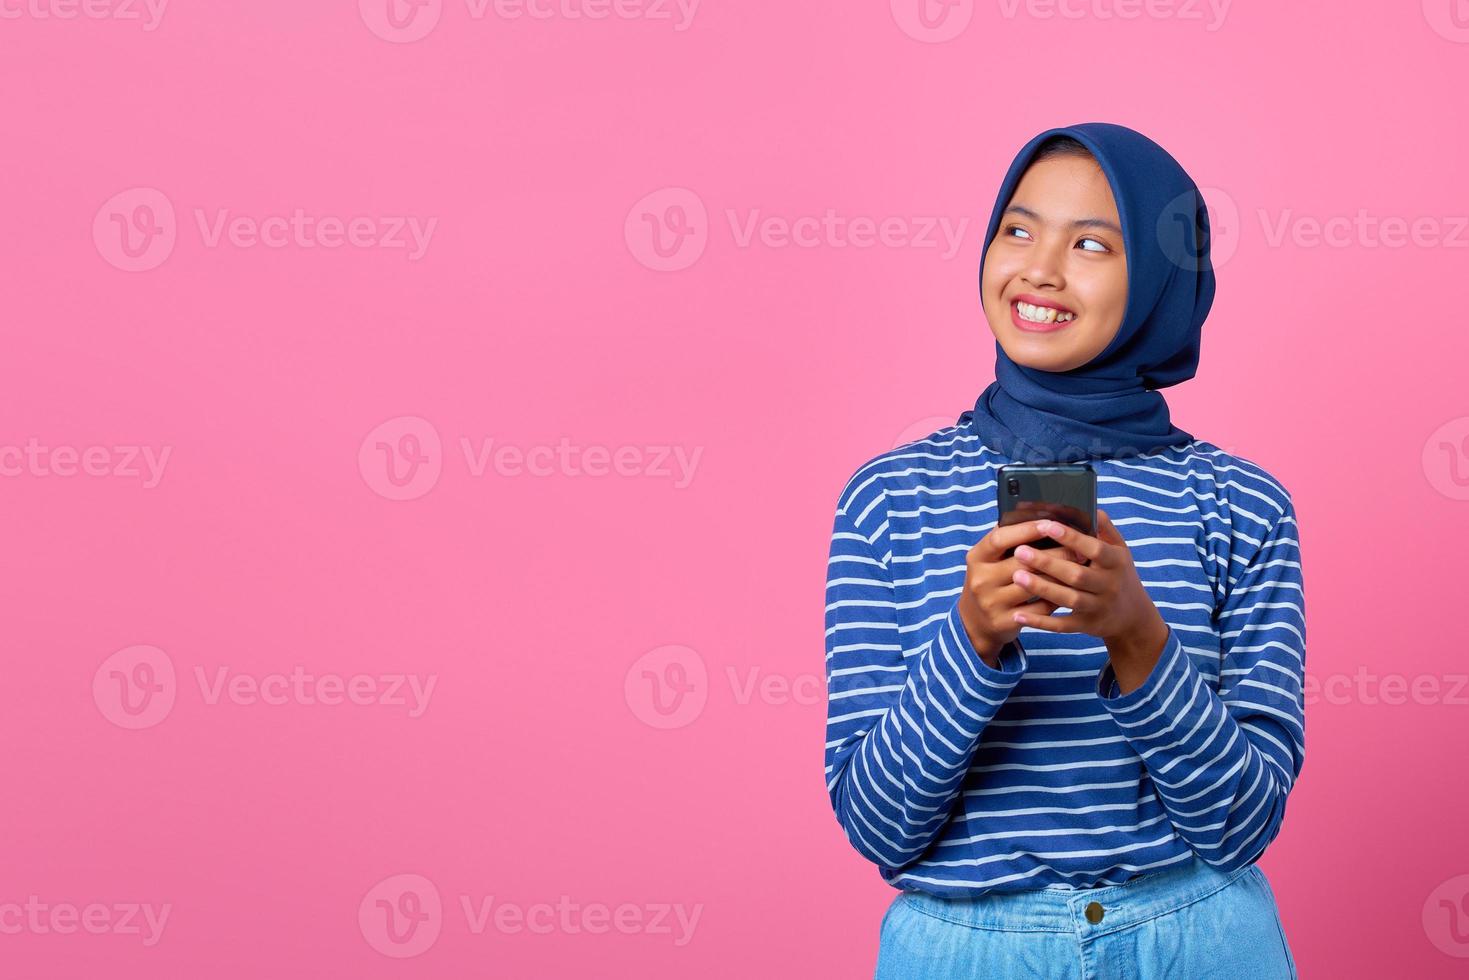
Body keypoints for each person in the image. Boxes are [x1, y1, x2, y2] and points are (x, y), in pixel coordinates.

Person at [822, 123, 1304, 978]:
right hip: (964, 951)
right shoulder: (889, 498)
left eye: (1090, 244)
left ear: (1160, 282)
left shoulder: (1242, 502)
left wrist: (1135, 637)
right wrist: (971, 640)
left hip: (1196, 940)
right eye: (1017, 229)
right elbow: (876, 822)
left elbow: (1241, 822)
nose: (1039, 268)